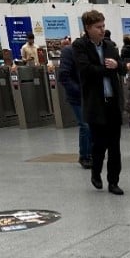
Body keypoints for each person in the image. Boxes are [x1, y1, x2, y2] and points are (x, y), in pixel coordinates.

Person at [73, 9, 127, 195]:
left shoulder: (110, 46)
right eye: (98, 27)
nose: (102, 30)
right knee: (99, 144)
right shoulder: (80, 46)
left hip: (112, 103)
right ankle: (96, 172)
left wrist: (117, 66)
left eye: (103, 26)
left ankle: (113, 181)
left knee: (115, 146)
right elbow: (86, 70)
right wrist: (108, 68)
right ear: (88, 28)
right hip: (96, 104)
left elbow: (122, 68)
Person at [57, 35, 92, 169]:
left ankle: (91, 152)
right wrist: (78, 90)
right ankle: (84, 156)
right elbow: (63, 75)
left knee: (92, 125)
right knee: (85, 125)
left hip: (91, 95)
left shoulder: (90, 51)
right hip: (77, 96)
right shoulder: (68, 52)